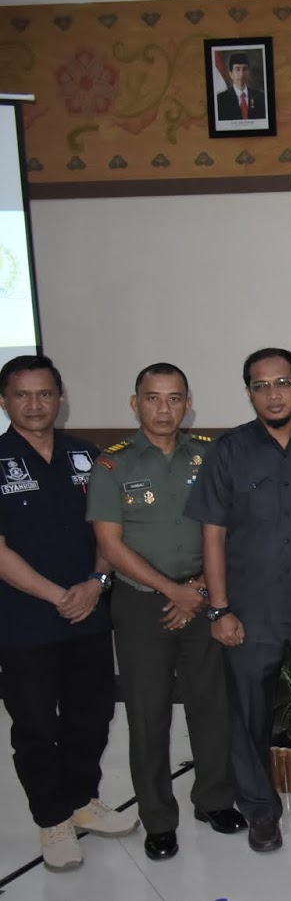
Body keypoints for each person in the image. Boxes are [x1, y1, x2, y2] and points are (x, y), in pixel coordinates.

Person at [185, 347, 291, 852]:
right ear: (249, 393)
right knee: (249, 716)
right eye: (261, 386)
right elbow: (212, 534)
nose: (273, 394)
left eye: (282, 382)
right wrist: (219, 609)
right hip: (249, 610)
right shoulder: (228, 451)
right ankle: (260, 811)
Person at [87, 363, 245, 862]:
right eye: (153, 398)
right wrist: (170, 591)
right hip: (140, 604)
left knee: (210, 705)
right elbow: (110, 545)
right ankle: (158, 819)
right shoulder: (112, 464)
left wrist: (196, 590)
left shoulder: (209, 456)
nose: (163, 408)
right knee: (148, 714)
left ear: (187, 404)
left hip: (203, 594)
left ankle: (214, 799)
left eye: (174, 398)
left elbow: (229, 527)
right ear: (135, 404)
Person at [0, 355, 137, 872]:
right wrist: (59, 595)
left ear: (61, 398)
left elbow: (110, 530)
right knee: (36, 724)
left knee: (92, 714)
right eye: (22, 395)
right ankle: (52, 818)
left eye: (45, 394)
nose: (35, 404)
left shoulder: (87, 455)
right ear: (4, 401)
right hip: (24, 623)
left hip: (89, 613)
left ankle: (82, 800)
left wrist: (96, 583)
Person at [216, 53, 266, 121]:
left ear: (249, 73)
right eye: (237, 69)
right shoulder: (220, 100)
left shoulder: (261, 98)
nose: (241, 74)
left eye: (244, 69)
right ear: (231, 74)